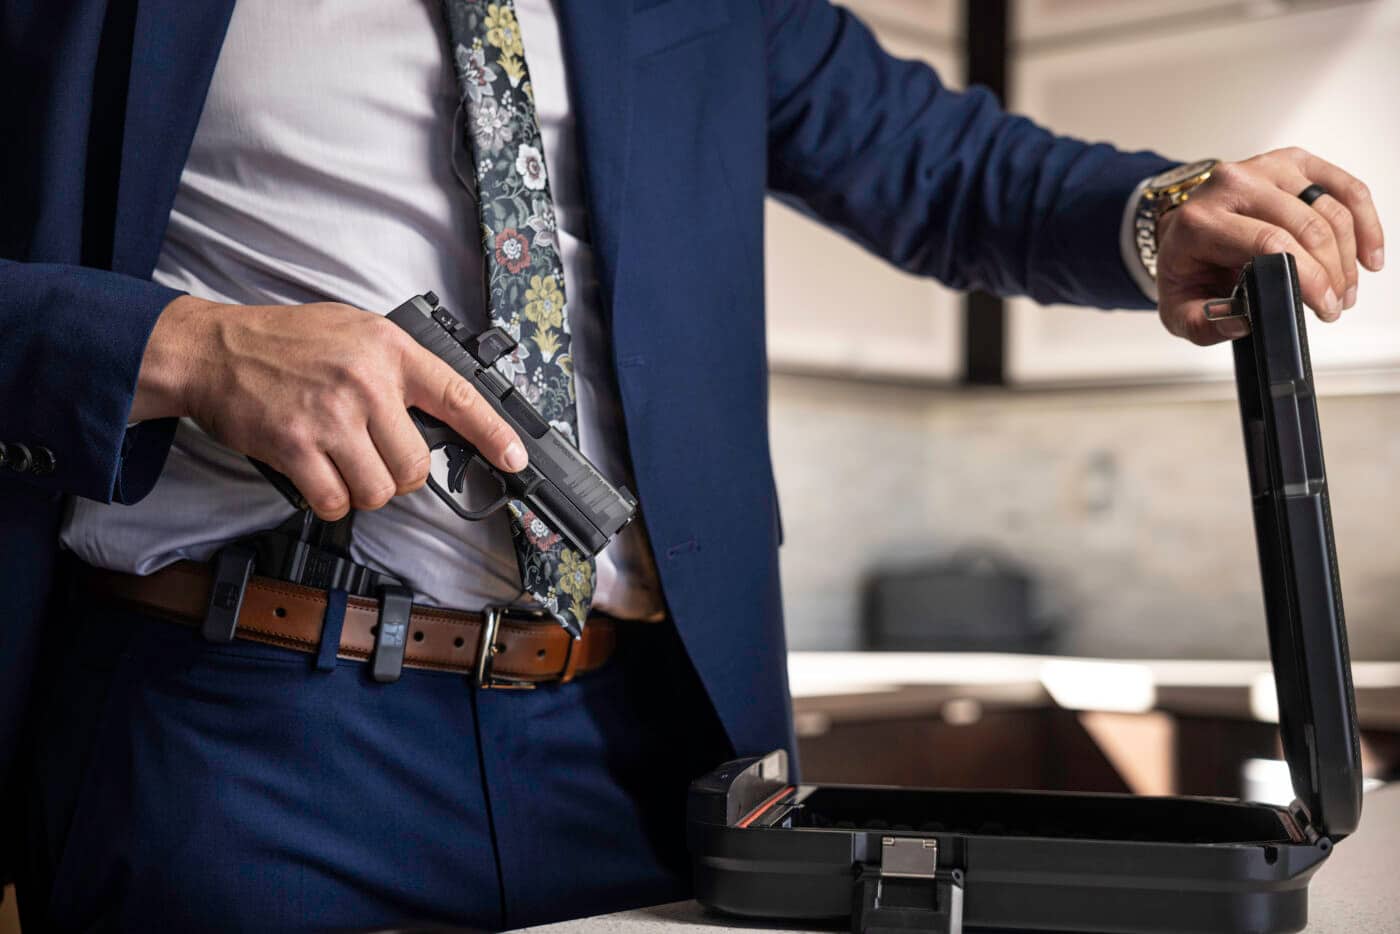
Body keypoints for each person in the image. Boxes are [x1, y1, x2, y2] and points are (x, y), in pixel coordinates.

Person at [0, 0, 1384, 930]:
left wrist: (1157, 215)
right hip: (238, 744)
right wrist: (177, 348)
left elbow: (942, 166)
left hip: (642, 745)